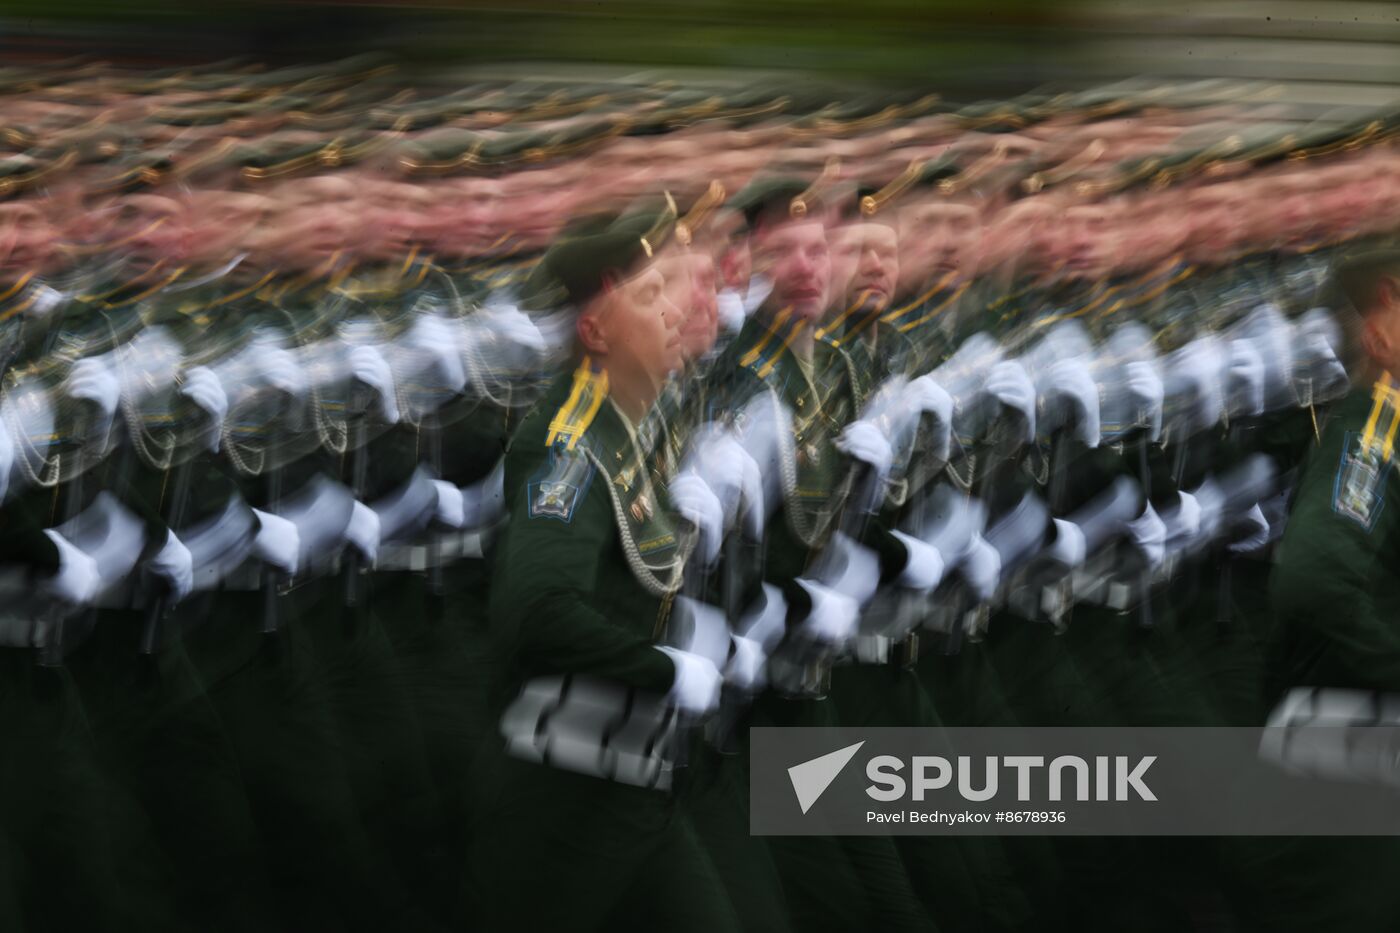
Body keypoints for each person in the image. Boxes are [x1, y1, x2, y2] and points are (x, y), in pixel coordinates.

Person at [468, 204, 741, 933]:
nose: (678, 309)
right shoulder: (572, 449)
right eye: (651, 298)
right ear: (595, 331)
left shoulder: (635, 423)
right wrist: (665, 669)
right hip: (569, 796)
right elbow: (538, 611)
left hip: (638, 778)